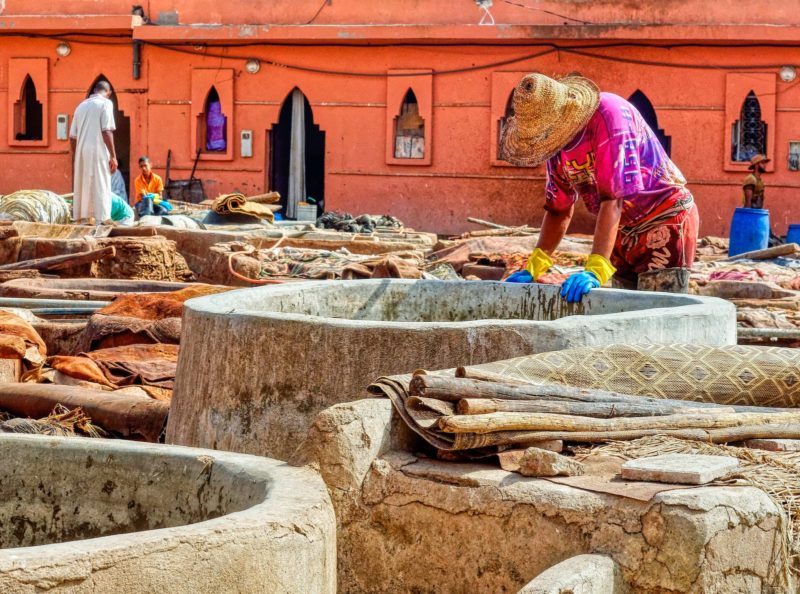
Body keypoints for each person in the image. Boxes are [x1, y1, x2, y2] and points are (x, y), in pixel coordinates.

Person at [500, 73, 699, 302]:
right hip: (619, 232)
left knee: (657, 318)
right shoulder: (554, 146)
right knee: (623, 318)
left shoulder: (609, 115)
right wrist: (535, 265)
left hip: (663, 219)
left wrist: (596, 267)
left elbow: (613, 199)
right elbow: (558, 209)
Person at [70, 81, 117, 224]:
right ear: (108, 93)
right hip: (98, 150)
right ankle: (102, 219)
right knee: (101, 183)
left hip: (82, 151)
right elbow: (106, 131)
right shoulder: (106, 104)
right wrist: (113, 156)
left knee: (84, 184)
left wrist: (75, 155)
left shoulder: (80, 106)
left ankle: (83, 220)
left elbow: (72, 137)